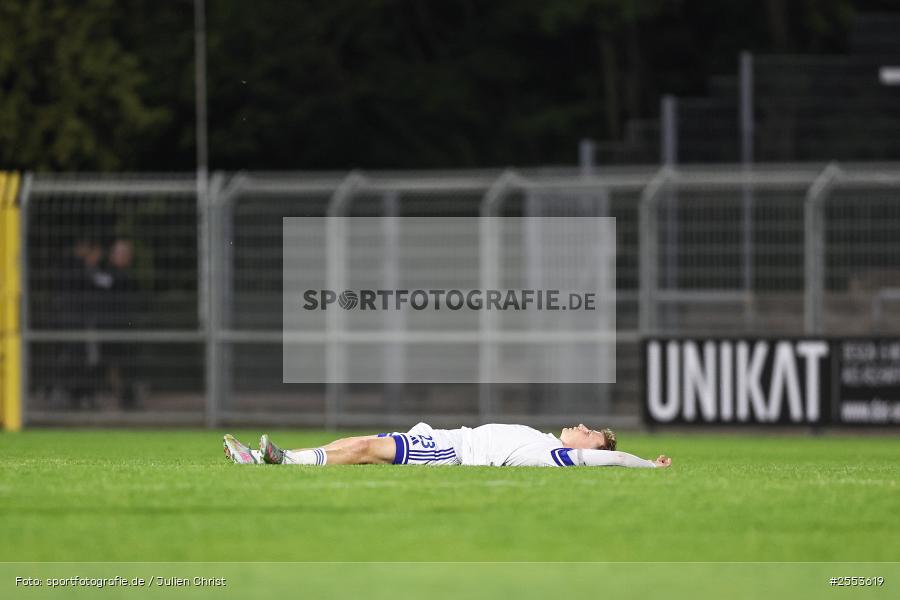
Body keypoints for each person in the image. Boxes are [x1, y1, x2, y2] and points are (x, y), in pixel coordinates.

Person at [223, 423, 672, 469]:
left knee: (362, 447)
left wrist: (649, 466)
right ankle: (268, 457)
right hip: (441, 437)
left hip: (447, 450)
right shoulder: (543, 439)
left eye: (591, 433)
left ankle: (281, 460)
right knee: (357, 442)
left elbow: (615, 457)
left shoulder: (553, 455)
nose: (583, 427)